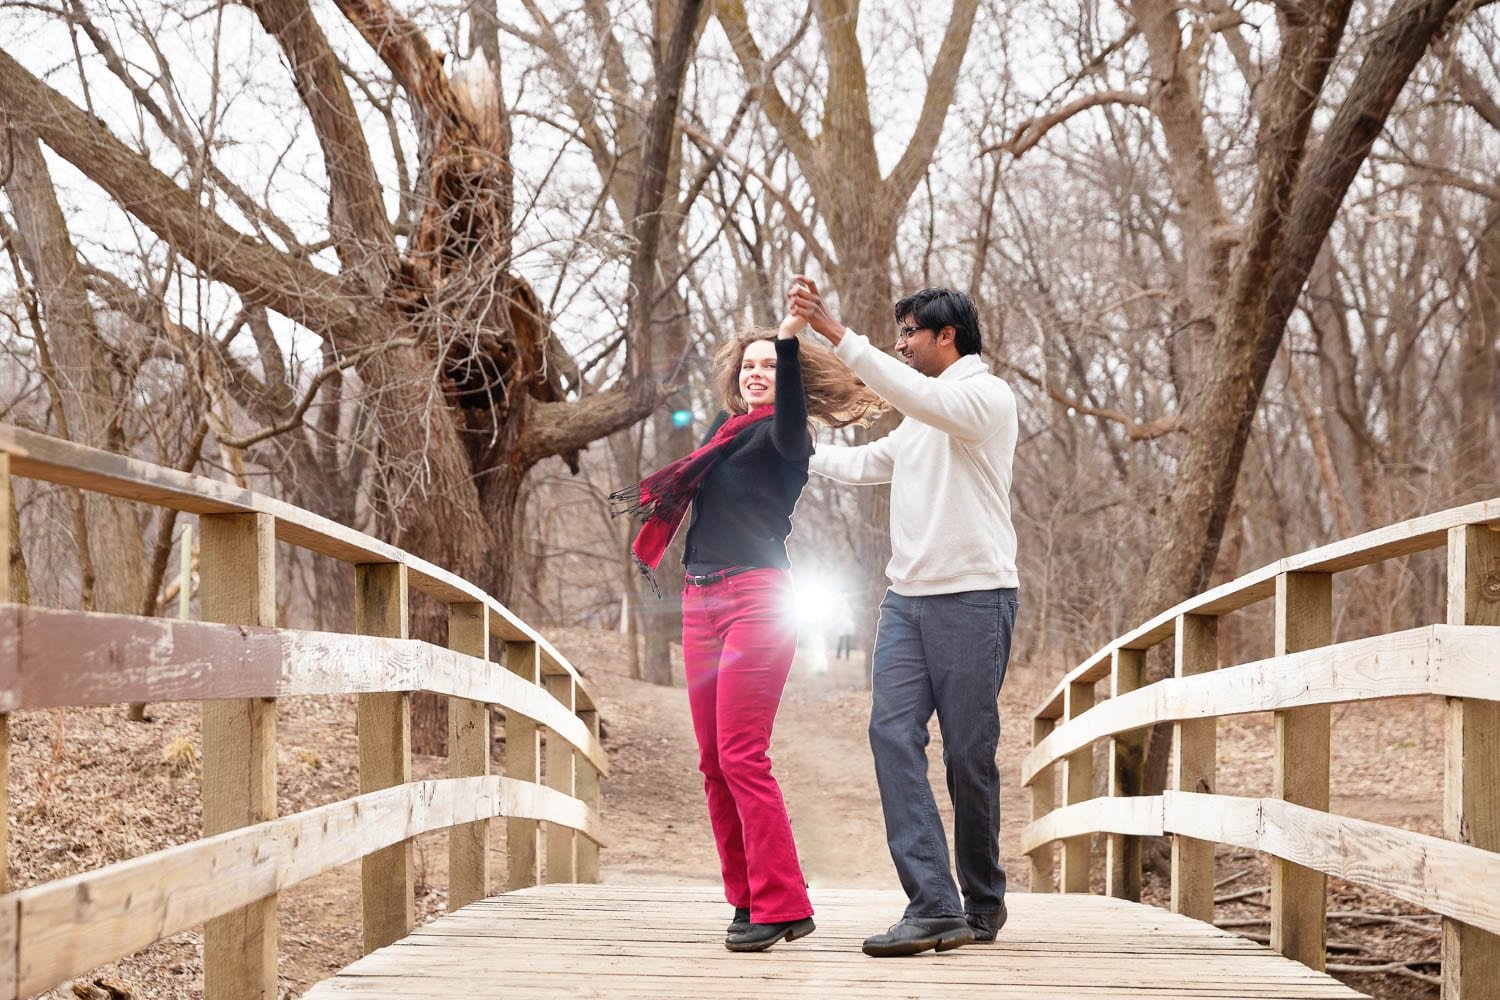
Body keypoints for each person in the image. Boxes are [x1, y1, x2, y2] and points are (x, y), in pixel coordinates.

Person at [611, 312, 884, 953]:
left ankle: (785, 903)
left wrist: (789, 339)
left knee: (741, 754)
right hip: (699, 601)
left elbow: (788, 407)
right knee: (711, 762)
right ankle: (747, 897)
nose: (757, 373)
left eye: (769, 364)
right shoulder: (725, 434)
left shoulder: (789, 439)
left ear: (785, 374)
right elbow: (712, 456)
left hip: (757, 601)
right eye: (749, 364)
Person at [788, 278, 1020, 958]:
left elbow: (918, 394)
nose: (900, 344)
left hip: (976, 599)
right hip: (906, 604)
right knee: (891, 737)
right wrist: (789, 449)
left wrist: (836, 333)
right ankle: (933, 903)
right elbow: (863, 466)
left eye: (909, 333)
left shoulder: (984, 398)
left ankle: (983, 903)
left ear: (946, 336)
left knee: (968, 759)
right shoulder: (923, 418)